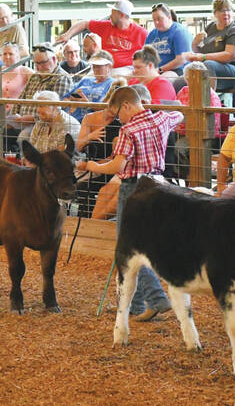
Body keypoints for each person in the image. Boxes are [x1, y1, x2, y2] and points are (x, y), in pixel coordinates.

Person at [76, 86, 183, 320]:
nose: (118, 120)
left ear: (126, 105)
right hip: (157, 186)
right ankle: (136, 305)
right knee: (140, 245)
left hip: (133, 189)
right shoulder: (161, 119)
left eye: (117, 114)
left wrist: (92, 166)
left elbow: (118, 166)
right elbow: (180, 114)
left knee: (129, 247)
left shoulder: (128, 130)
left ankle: (156, 297)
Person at [74, 77, 128, 219]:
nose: (112, 112)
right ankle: (82, 220)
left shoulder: (121, 124)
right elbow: (79, 146)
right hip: (89, 164)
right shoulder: (89, 118)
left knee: (85, 186)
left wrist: (94, 166)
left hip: (108, 168)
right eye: (111, 106)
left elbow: (115, 159)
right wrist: (90, 136)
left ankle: (89, 221)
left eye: (116, 109)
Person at [6, 42, 72, 151]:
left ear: (54, 59)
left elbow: (56, 110)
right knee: (1, 131)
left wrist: (32, 118)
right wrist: (13, 118)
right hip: (21, 122)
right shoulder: (35, 77)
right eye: (36, 63)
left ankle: (27, 161)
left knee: (24, 137)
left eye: (43, 62)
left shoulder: (62, 78)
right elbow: (20, 99)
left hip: (44, 124)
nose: (39, 67)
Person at [57, 0, 147, 76]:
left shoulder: (141, 33)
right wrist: (67, 35)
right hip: (103, 66)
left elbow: (151, 55)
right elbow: (84, 24)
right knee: (85, 81)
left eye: (113, 12)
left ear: (122, 15)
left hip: (124, 70)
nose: (110, 15)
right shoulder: (106, 26)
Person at [180, 0, 235, 92]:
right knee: (182, 78)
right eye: (222, 11)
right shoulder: (210, 27)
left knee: (207, 65)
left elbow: (229, 55)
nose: (226, 13)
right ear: (215, 13)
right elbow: (199, 51)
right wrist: (195, 43)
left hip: (233, 71)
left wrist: (203, 57)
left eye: (228, 10)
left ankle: (210, 99)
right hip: (209, 67)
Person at [175, 61, 223, 178]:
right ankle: (171, 177)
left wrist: (189, 118)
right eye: (187, 79)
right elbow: (176, 108)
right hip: (180, 131)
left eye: (191, 79)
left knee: (178, 148)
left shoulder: (210, 95)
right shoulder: (184, 91)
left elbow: (212, 124)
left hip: (203, 135)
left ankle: (188, 178)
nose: (189, 82)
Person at [63, 50, 114, 122]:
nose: (96, 69)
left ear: (109, 67)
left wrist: (87, 103)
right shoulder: (85, 80)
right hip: (71, 119)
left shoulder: (113, 84)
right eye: (94, 66)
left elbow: (109, 109)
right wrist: (72, 101)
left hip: (92, 122)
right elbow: (65, 98)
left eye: (99, 66)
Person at [145, 2, 192, 77]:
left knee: (162, 79)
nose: (156, 22)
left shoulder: (179, 31)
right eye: (154, 20)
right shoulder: (152, 34)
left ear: (169, 17)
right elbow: (145, 56)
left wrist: (160, 70)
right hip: (156, 70)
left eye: (159, 19)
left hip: (177, 70)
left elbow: (181, 60)